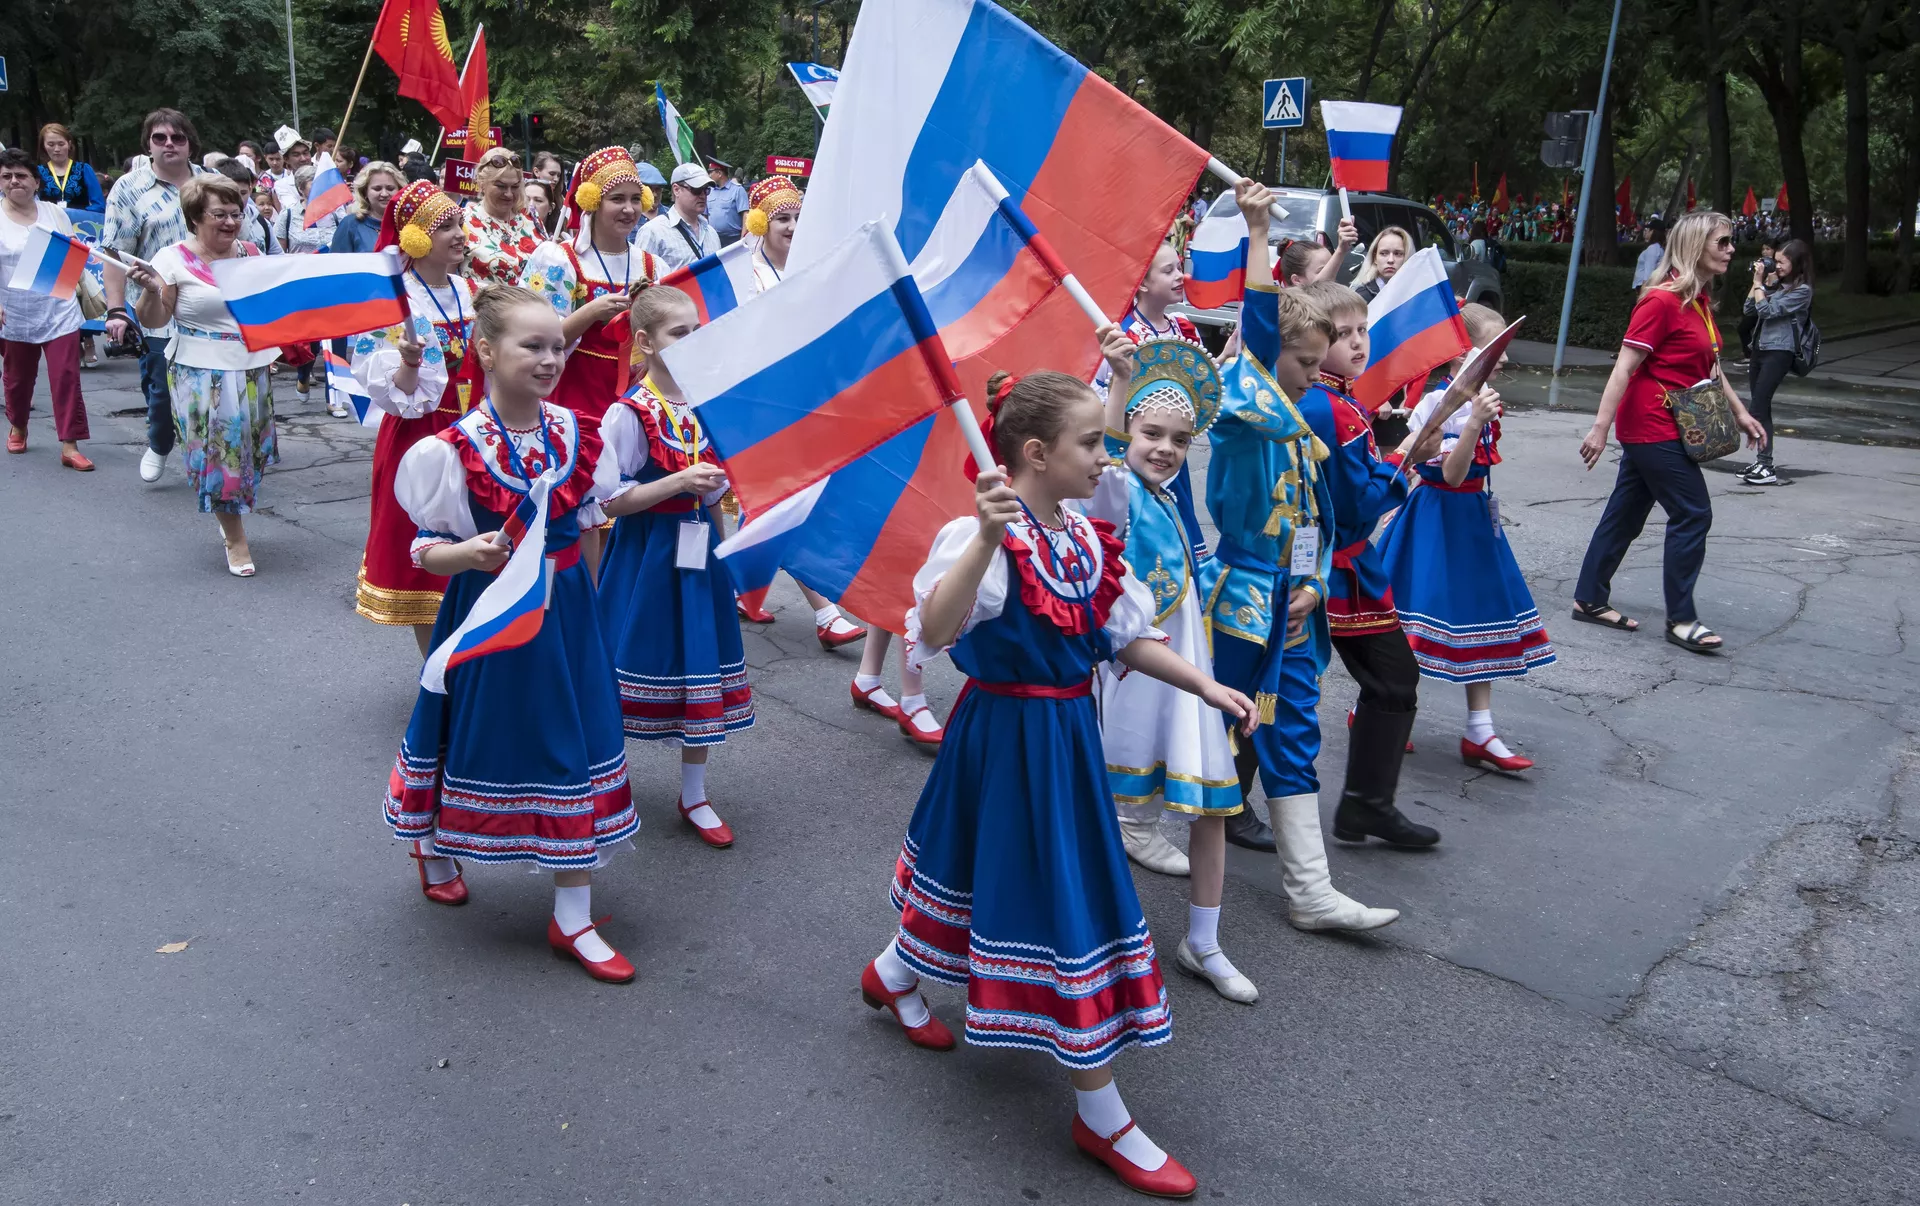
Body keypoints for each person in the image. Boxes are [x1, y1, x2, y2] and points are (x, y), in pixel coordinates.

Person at [863, 368, 1256, 1201]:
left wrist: (1204, 684)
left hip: (1067, 737)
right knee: (1066, 905)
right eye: (1090, 443)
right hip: (1005, 736)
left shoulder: (1084, 537)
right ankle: (1100, 1112)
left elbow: (1122, 637)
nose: (1104, 456)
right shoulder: (983, 538)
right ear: (1038, 453)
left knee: (985, 874)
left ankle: (894, 973)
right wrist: (983, 537)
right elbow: (933, 631)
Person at [384, 284, 641, 982]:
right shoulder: (450, 450)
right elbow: (423, 550)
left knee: (576, 740)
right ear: (487, 352)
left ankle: (573, 914)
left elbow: (589, 524)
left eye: (558, 345)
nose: (551, 358)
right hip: (490, 608)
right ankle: (434, 843)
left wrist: (589, 613)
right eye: (533, 345)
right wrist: (467, 555)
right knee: (472, 730)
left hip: (567, 613)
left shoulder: (580, 433)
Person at [1201, 181, 1398, 932]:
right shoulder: (1244, 414)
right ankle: (1132, 824)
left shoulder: (1296, 425)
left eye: (1321, 361)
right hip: (1242, 603)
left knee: (1290, 730)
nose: (1318, 375)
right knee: (1210, 727)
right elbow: (1258, 330)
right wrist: (1257, 234)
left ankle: (1310, 892)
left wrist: (1314, 584)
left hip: (1291, 608)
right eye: (1306, 362)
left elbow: (1316, 522)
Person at [1092, 330, 1258, 1003]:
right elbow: (1104, 459)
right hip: (1133, 679)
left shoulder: (1163, 497)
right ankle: (1088, 943)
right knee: (1094, 809)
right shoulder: (1116, 489)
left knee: (1212, 806)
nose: (1164, 448)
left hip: (1188, 678)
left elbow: (1188, 581)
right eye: (1152, 433)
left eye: (1180, 440)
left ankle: (1204, 942)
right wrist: (1119, 380)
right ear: (1129, 431)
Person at [595, 285, 754, 850]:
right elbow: (609, 502)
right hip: (645, 556)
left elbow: (715, 494)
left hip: (699, 553)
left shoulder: (707, 401)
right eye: (678, 333)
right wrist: (677, 482)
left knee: (700, 664)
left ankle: (694, 793)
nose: (691, 341)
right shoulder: (628, 413)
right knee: (623, 663)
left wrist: (728, 548)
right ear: (645, 342)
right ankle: (600, 781)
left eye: (696, 331)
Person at [1293, 279, 1449, 851]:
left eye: (1363, 330)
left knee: (1380, 681)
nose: (1359, 342)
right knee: (1289, 689)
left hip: (1343, 564)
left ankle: (1366, 805)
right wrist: (1406, 459)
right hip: (1331, 569)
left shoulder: (1339, 402)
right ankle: (1358, 805)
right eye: (1344, 334)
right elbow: (1356, 505)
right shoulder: (1329, 407)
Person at [1574, 210, 1767, 655]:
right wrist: (1600, 429)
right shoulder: (1660, 301)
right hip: (1652, 424)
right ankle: (1681, 620)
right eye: (1722, 242)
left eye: (1730, 241)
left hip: (1672, 422)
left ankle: (1588, 597)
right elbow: (1623, 368)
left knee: (1626, 514)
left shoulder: (1696, 300)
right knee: (1693, 512)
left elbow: (1710, 366)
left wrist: (1740, 412)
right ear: (1695, 247)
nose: (1731, 250)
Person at [1379, 303, 1554, 773]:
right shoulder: (1437, 405)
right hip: (1434, 519)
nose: (1504, 358)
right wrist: (1474, 421)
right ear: (1463, 353)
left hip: (1473, 519)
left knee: (1483, 614)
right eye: (1494, 349)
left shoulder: (1482, 398)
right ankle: (1378, 708)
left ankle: (1480, 730)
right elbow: (1451, 476)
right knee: (1416, 622)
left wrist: (1479, 417)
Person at [730, 175, 872, 650]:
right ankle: (826, 613)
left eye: (797, 217)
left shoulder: (813, 267)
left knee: (772, 501)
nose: (792, 226)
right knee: (787, 500)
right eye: (782, 219)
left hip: (809, 400)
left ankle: (742, 589)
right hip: (762, 405)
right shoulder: (746, 276)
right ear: (759, 223)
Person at [121, 175, 280, 576]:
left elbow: (267, 309)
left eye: (236, 213)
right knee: (223, 457)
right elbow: (154, 319)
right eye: (219, 214)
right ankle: (235, 538)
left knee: (251, 454)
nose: (230, 222)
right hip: (201, 373)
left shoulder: (251, 253)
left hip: (252, 368)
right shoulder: (171, 259)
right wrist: (151, 291)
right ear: (195, 217)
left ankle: (230, 512)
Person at [521, 147, 665, 578]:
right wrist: (589, 313)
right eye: (616, 199)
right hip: (576, 398)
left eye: (635, 198)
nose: (628, 209)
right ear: (591, 201)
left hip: (635, 402)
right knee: (581, 507)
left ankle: (620, 596)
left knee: (631, 506)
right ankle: (582, 594)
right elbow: (532, 340)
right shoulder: (559, 259)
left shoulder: (651, 264)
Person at [349, 181, 480, 652]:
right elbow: (398, 394)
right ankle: (434, 667)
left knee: (478, 544)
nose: (460, 233)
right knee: (427, 556)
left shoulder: (469, 289)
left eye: (459, 222)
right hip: (421, 435)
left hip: (475, 431)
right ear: (416, 238)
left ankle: (469, 661)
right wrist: (407, 362)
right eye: (445, 227)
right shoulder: (396, 300)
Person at [103, 108, 209, 485]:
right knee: (163, 391)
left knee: (211, 389)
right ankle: (160, 443)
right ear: (148, 144)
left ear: (190, 144)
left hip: (208, 306)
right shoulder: (129, 188)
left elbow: (238, 236)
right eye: (159, 138)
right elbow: (114, 255)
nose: (169, 144)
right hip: (156, 307)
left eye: (177, 138)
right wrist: (116, 309)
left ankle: (210, 457)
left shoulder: (211, 183)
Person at [1089, 239, 1209, 560]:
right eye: (1169, 271)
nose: (1180, 276)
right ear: (1142, 283)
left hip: (1171, 446)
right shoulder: (1122, 336)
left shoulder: (1184, 329)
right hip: (1134, 452)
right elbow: (1102, 398)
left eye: (1180, 268)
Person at [0, 148, 93, 470]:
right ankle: (18, 425)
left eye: (21, 175)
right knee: (17, 379)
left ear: (36, 182)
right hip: (13, 313)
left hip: (58, 309)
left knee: (66, 376)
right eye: (7, 176)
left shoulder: (55, 213)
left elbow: (73, 252)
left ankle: (70, 444)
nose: (14, 181)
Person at [1738, 239, 1812, 486]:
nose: (1776, 266)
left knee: (1758, 407)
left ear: (1797, 263)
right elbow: (1749, 309)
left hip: (1780, 352)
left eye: (1781, 262)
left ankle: (1766, 466)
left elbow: (1767, 311)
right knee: (1761, 406)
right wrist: (1757, 283)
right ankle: (1762, 462)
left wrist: (1760, 284)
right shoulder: (1776, 286)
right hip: (1759, 349)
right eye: (1775, 261)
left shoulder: (1802, 291)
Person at [462, 147, 542, 285]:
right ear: (482, 183)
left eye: (515, 187)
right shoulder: (462, 221)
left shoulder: (531, 217)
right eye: (501, 186)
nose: (509, 194)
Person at [637, 162, 720, 271]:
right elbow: (640, 277)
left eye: (706, 190)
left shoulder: (712, 233)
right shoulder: (652, 231)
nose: (703, 195)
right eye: (696, 190)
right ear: (676, 190)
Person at [329, 160, 402, 255]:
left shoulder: (409, 223)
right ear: (365, 192)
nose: (384, 194)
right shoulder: (350, 224)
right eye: (377, 189)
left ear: (400, 190)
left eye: (390, 188)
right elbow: (336, 262)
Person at [213, 158, 281, 254]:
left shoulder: (261, 222)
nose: (239, 199)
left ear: (250, 189)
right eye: (232, 193)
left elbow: (277, 257)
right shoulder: (209, 224)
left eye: (243, 193)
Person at [35, 124, 105, 212]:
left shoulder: (84, 169)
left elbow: (99, 205)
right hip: (48, 220)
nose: (57, 149)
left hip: (79, 220)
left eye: (61, 144)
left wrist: (74, 213)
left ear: (69, 144)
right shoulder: (38, 172)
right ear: (44, 146)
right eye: (51, 145)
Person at [1351, 225, 1410, 303]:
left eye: (1397, 254)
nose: (1390, 260)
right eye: (1384, 253)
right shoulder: (1362, 297)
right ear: (1375, 258)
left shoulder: (1414, 293)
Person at [703, 159, 749, 247]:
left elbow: (745, 215)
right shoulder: (709, 191)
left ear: (719, 173)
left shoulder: (737, 190)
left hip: (733, 239)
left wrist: (743, 239)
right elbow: (705, 216)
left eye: (711, 172)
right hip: (713, 239)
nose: (709, 175)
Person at [1631, 218, 1667, 289]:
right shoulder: (1659, 248)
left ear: (1652, 231)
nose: (1646, 232)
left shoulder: (1653, 248)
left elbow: (1648, 274)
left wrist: (1644, 292)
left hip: (1643, 286)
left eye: (1648, 230)